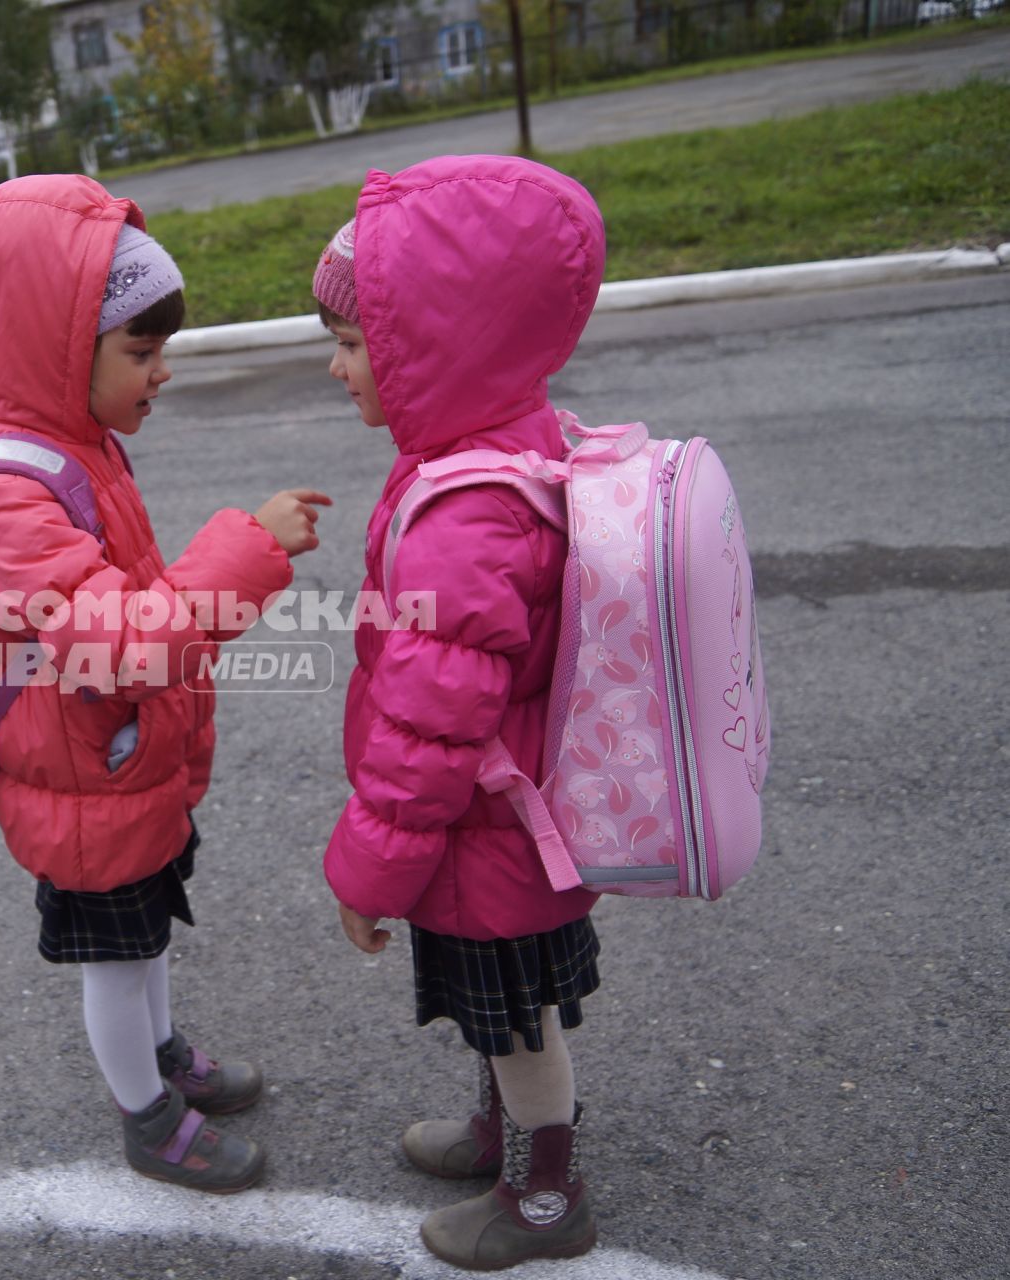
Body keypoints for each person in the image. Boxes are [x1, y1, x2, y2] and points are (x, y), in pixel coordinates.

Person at [0, 174, 329, 1193]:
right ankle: (145, 1116)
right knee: (113, 959)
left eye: (163, 352)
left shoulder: (76, 447)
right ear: (58, 347)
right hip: (80, 787)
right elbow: (116, 643)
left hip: (116, 768)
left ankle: (161, 1059)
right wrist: (243, 549)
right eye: (140, 352)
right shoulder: (5, 496)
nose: (160, 374)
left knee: (147, 933)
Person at [313, 156, 606, 1269]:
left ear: (437, 341)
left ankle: (543, 1192)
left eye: (351, 343)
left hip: (494, 835)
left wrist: (367, 870)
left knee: (517, 1017)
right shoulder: (490, 445)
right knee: (500, 1012)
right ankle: (500, 1132)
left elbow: (429, 731)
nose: (336, 368)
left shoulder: (466, 512)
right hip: (507, 822)